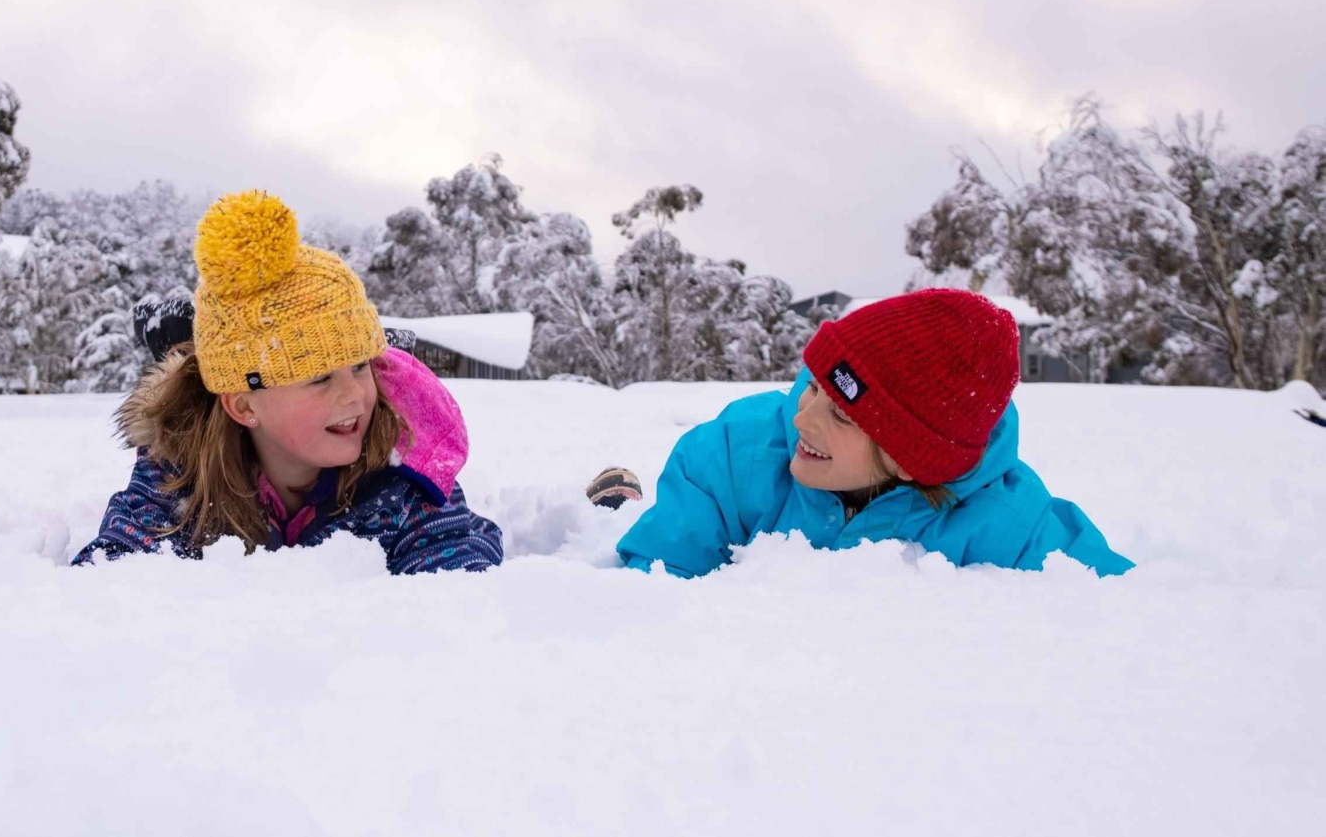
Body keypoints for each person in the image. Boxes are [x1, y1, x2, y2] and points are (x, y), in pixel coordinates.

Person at [72, 190, 503, 572]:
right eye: (319, 378)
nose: (354, 394)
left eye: (360, 366)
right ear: (243, 406)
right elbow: (116, 575)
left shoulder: (400, 468)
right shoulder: (183, 471)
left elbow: (453, 570)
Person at [614, 289, 1133, 578]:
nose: (803, 418)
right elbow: (656, 580)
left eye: (841, 415)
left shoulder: (1007, 522)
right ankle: (618, 499)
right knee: (632, 514)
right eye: (813, 388)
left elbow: (1118, 602)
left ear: (913, 459)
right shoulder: (737, 455)